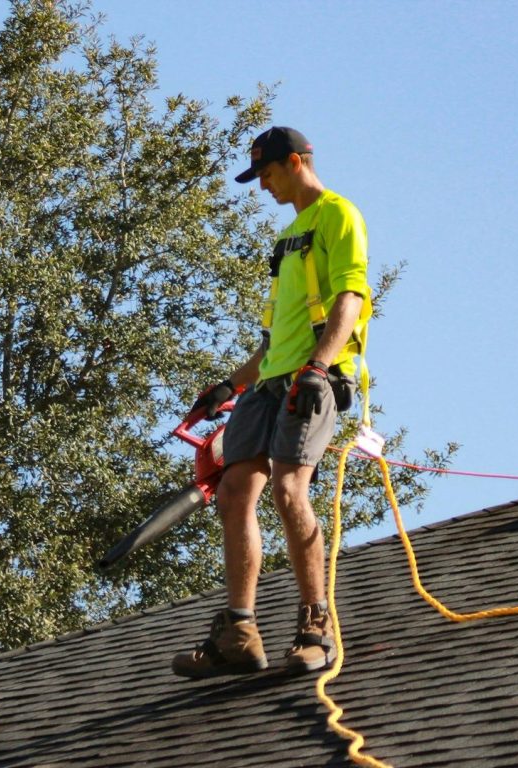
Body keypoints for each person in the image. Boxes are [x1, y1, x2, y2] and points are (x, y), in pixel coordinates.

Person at [171, 126, 369, 678]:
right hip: (269, 383)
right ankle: (239, 631)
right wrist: (228, 387)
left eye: (268, 172)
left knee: (288, 490)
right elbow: (272, 342)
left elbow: (349, 298)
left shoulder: (338, 215)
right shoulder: (288, 237)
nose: (262, 186)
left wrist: (319, 369)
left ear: (297, 162)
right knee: (234, 492)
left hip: (313, 379)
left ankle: (316, 627)